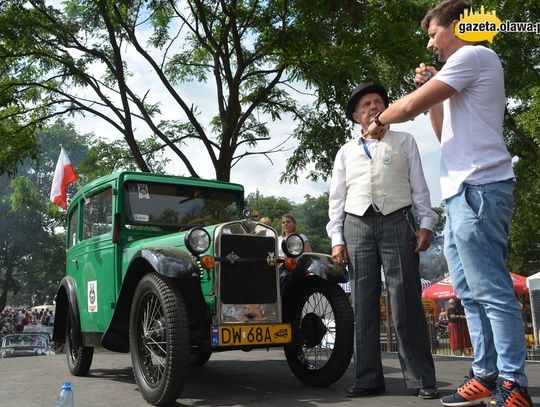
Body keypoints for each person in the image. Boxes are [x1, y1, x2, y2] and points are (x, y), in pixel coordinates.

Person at [363, 1, 532, 406]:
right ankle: (486, 374)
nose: (430, 43)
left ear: (458, 25)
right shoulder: (462, 71)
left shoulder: (475, 54)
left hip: (481, 187)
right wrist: (434, 91)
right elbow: (440, 131)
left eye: (433, 33)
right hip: (460, 192)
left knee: (491, 290)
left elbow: (409, 107)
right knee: (469, 294)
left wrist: (380, 118)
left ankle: (513, 384)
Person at [327, 82, 439, 399]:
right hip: (357, 224)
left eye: (379, 102)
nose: (374, 107)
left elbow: (419, 187)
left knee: (405, 300)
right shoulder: (345, 152)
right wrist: (337, 238)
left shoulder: (405, 141)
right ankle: (368, 378)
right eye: (366, 104)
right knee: (362, 302)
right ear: (355, 116)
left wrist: (426, 223)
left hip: (397, 220)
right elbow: (336, 199)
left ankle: (420, 378)